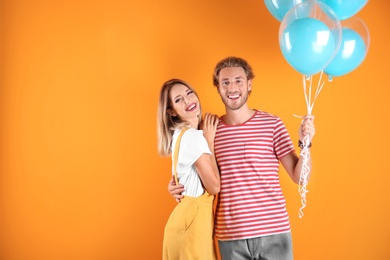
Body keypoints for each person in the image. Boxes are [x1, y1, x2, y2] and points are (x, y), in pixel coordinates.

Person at [168, 57, 316, 260]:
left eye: (238, 80)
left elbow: (300, 178)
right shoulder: (209, 129)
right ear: (218, 88)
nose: (232, 88)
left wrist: (305, 143)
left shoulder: (272, 124)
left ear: (249, 84)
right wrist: (175, 185)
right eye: (225, 82)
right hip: (230, 237)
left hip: (274, 232)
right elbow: (197, 173)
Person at [157, 78, 221, 260]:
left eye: (189, 93)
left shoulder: (181, 134)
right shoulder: (193, 136)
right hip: (192, 224)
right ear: (171, 112)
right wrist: (209, 141)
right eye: (178, 100)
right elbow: (214, 187)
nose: (188, 101)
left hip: (185, 221)